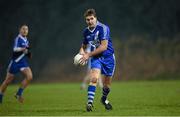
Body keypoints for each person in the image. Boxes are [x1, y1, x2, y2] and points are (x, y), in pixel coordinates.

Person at [79, 8, 115, 111]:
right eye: (87, 19)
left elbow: (103, 47)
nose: (89, 21)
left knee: (106, 86)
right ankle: (89, 103)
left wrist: (88, 54)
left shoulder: (103, 28)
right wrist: (81, 51)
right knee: (94, 78)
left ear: (96, 18)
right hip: (96, 58)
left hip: (108, 58)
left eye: (91, 19)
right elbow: (84, 45)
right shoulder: (85, 32)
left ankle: (104, 99)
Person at [0, 24, 33, 103]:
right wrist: (23, 49)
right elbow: (15, 49)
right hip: (15, 62)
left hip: (22, 62)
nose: (25, 30)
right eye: (23, 29)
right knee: (8, 81)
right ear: (20, 30)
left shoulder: (26, 39)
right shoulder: (18, 38)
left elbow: (25, 50)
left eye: (26, 29)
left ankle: (18, 94)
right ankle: (0, 95)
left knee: (29, 77)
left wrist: (28, 53)